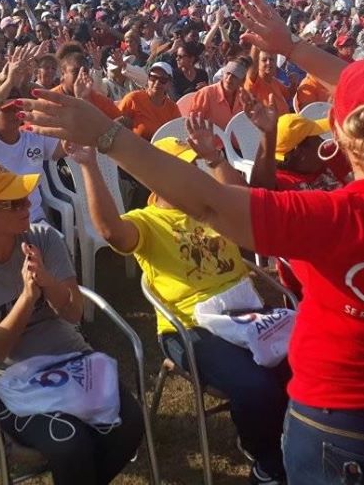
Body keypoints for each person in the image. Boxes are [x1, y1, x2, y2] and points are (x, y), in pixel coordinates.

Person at [21, 0, 364, 484]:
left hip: (342, 418)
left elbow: (212, 203)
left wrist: (109, 137)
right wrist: (295, 48)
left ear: (337, 130)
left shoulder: (329, 217)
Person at [69, 128, 290, 484]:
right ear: (157, 180)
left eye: (193, 169)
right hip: (190, 328)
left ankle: (291, 439)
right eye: (182, 170)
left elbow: (245, 201)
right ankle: (266, 460)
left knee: (307, 361)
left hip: (245, 311)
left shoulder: (209, 208)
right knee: (256, 385)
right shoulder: (147, 221)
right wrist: (89, 166)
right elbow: (111, 231)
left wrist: (216, 158)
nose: (191, 177)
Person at [0, 161, 144, 485]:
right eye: (14, 202)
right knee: (70, 445)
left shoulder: (43, 237)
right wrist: (26, 298)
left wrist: (48, 282)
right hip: (11, 380)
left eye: (25, 195)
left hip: (72, 358)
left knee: (129, 424)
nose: (29, 203)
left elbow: (73, 313)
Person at [0, 64, 63, 226]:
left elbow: (63, 149)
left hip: (34, 221)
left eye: (17, 107)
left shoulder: (33, 135)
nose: (15, 113)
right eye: (7, 109)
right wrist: (8, 83)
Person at [117, 62, 181, 140]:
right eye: (153, 78)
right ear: (148, 79)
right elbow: (115, 125)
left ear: (170, 83)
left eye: (163, 80)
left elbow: (178, 136)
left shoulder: (173, 108)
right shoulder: (133, 99)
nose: (157, 83)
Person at [189, 57, 248, 129]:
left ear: (242, 81)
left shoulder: (245, 97)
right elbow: (194, 123)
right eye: (228, 73)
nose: (229, 79)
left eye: (235, 76)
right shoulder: (206, 93)